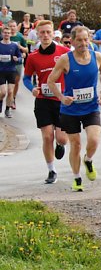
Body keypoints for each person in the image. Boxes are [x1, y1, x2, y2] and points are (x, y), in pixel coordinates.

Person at [46, 26, 101, 192]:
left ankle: (88, 160)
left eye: (86, 39)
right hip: (70, 110)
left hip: (91, 107)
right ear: (73, 41)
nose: (83, 43)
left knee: (94, 140)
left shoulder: (97, 57)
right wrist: (61, 97)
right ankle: (77, 178)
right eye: (79, 40)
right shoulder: (65, 59)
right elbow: (50, 81)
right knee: (76, 145)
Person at [23, 20, 69, 183]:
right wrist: (32, 89)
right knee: (47, 136)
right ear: (37, 34)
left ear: (53, 33)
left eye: (48, 32)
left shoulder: (64, 52)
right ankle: (51, 170)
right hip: (43, 100)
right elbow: (26, 78)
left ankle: (61, 145)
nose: (45, 35)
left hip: (61, 100)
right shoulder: (33, 57)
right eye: (42, 32)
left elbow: (73, 72)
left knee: (61, 138)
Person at [0, 26, 23, 117]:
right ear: (2, 33)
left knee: (10, 92)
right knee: (3, 92)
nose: (7, 34)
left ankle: (7, 110)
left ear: (10, 34)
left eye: (8, 33)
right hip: (1, 71)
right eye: (5, 33)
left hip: (11, 71)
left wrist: (17, 59)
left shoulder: (14, 45)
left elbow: (20, 57)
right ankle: (0, 103)